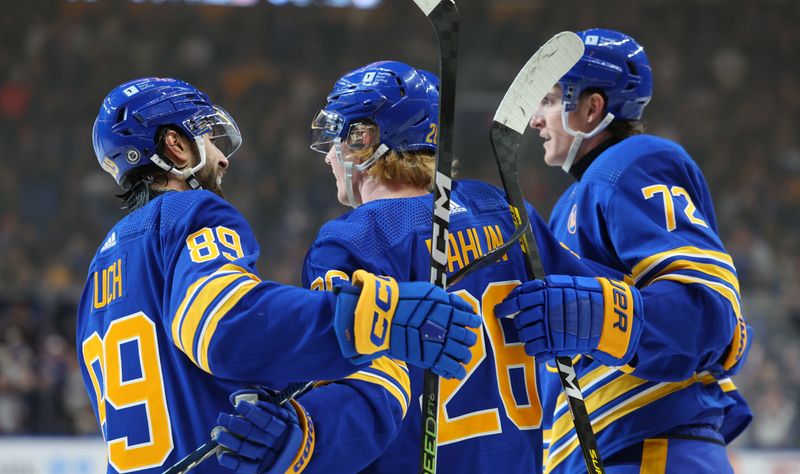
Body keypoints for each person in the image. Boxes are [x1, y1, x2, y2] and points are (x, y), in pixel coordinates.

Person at [220, 61, 648, 473]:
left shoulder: (349, 240)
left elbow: (355, 381)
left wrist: (303, 434)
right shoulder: (502, 209)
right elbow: (609, 311)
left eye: (337, 139)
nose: (329, 156)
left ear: (363, 139)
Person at [77, 76, 482, 474]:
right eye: (208, 138)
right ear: (176, 146)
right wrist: (365, 316)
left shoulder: (98, 274)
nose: (223, 158)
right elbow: (221, 326)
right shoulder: (192, 212)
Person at [495, 29, 753, 473]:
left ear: (593, 107)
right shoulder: (568, 208)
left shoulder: (632, 162)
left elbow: (709, 314)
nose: (536, 119)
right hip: (606, 453)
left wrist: (596, 316)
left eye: (553, 100)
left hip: (651, 448)